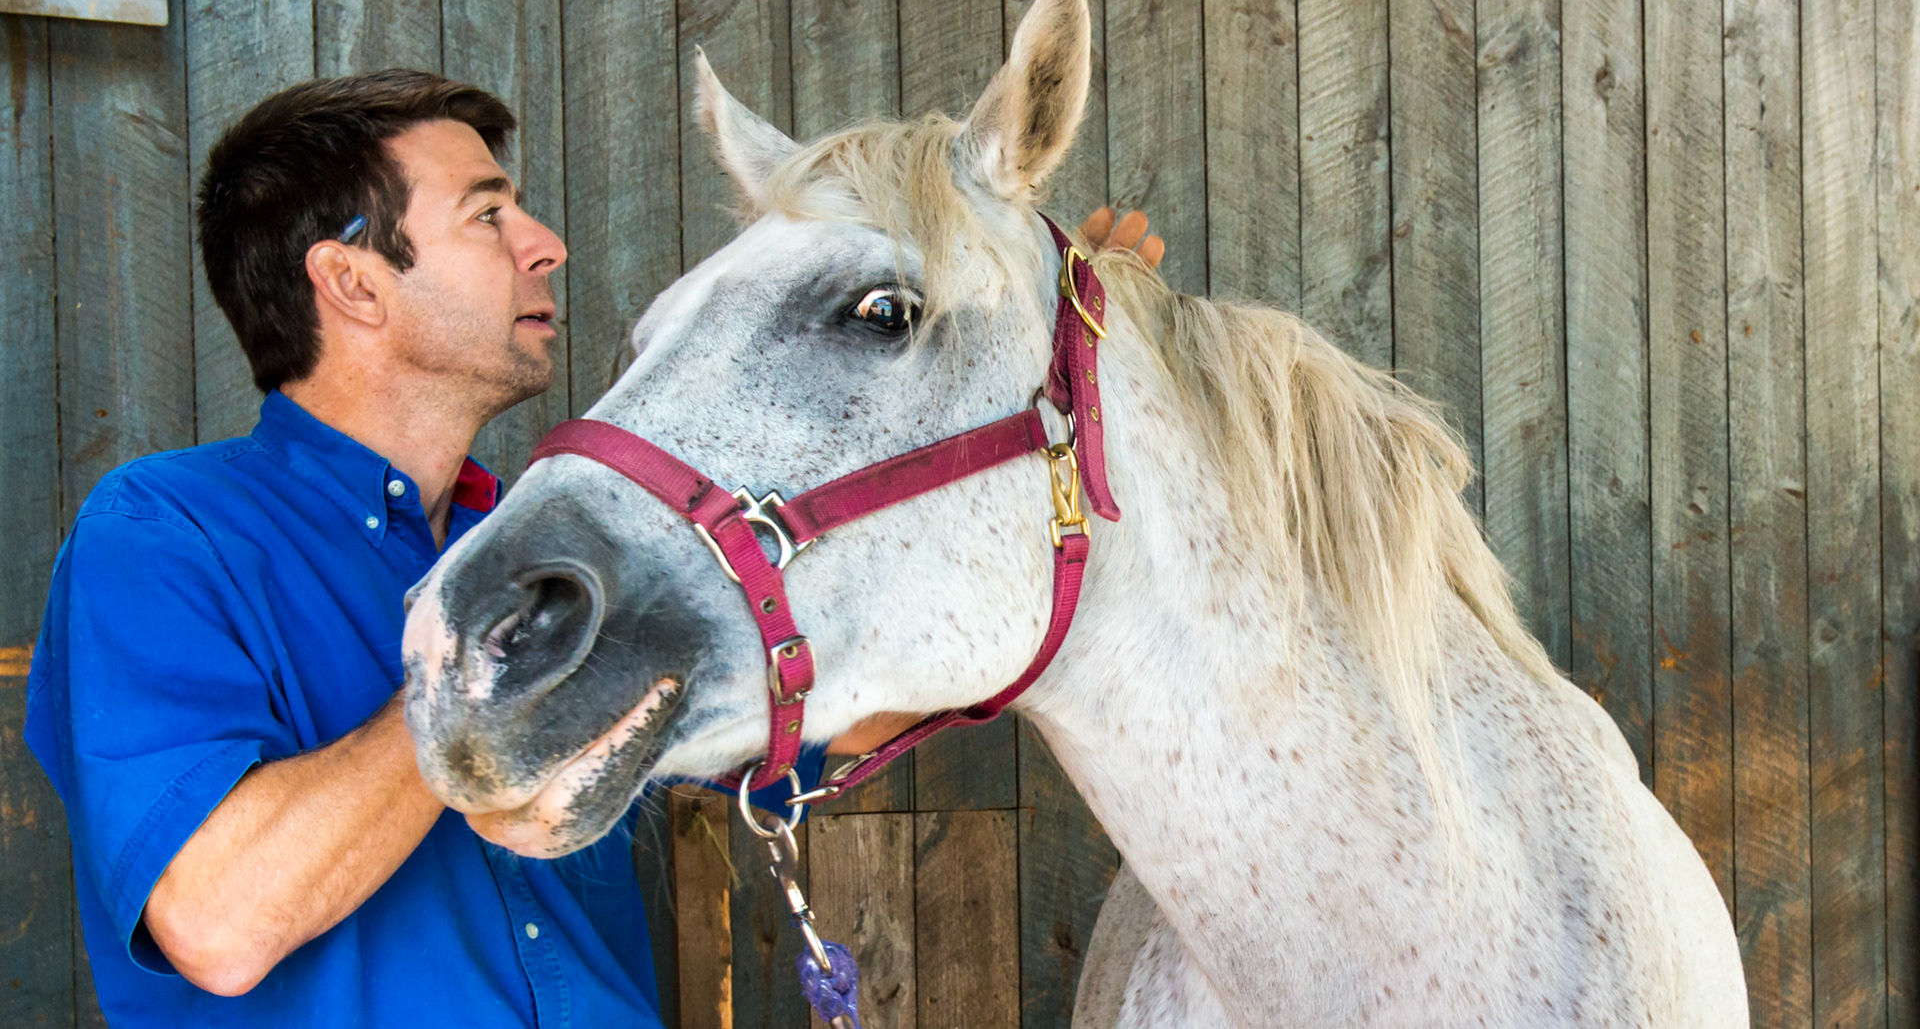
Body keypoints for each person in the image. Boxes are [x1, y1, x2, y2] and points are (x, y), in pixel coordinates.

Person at [24, 69, 1162, 1027]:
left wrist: (1045, 383)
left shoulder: (527, 540)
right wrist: (501, 667)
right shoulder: (164, 532)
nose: (546, 245)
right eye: (487, 213)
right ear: (352, 281)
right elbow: (218, 920)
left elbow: (832, 721)